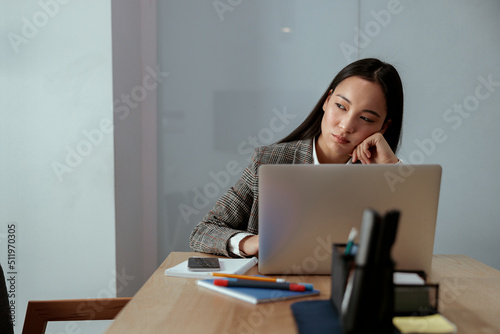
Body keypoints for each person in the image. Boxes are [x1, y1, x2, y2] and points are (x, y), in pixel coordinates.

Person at [189, 58, 404, 258]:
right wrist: (251, 242)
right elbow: (203, 231)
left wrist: (390, 170)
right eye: (340, 106)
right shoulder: (268, 161)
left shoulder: (381, 176)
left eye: (365, 118)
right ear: (327, 101)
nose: (346, 126)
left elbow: (408, 248)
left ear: (384, 127)